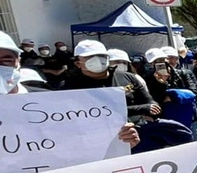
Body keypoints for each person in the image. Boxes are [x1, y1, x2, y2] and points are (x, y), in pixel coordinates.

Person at [0, 32, 140, 146]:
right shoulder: (66, 88)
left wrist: (122, 141)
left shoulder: (52, 101)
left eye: (6, 60)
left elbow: (83, 140)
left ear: (18, 61)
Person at [63, 40, 161, 124]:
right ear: (78, 63)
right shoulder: (69, 87)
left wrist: (152, 108)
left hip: (137, 127)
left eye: (101, 55)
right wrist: (142, 108)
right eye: (90, 56)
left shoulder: (128, 77)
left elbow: (149, 101)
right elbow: (102, 111)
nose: (97, 59)